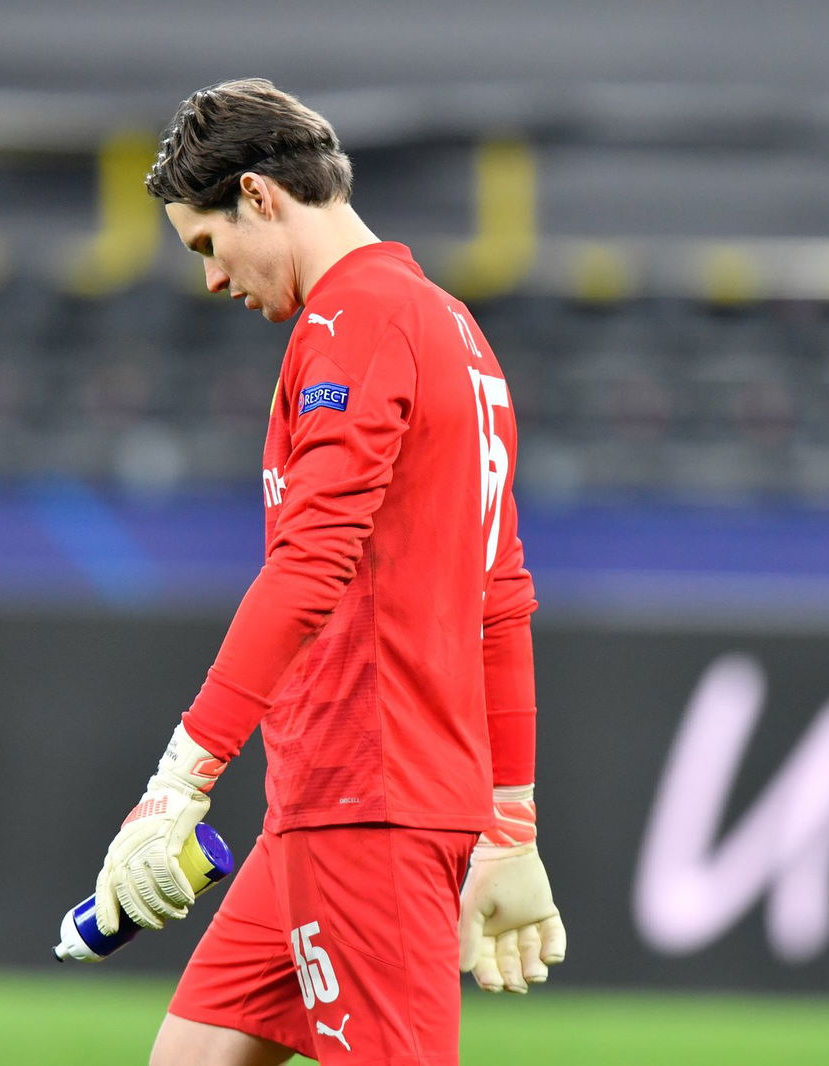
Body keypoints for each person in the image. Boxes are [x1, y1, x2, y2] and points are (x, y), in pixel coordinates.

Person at [79, 78, 566, 1066]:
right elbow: (500, 597)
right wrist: (508, 817)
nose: (213, 280)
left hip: (369, 807)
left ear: (259, 196)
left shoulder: (354, 324)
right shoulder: (454, 330)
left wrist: (180, 780)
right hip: (334, 802)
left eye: (206, 245)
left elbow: (308, 567)